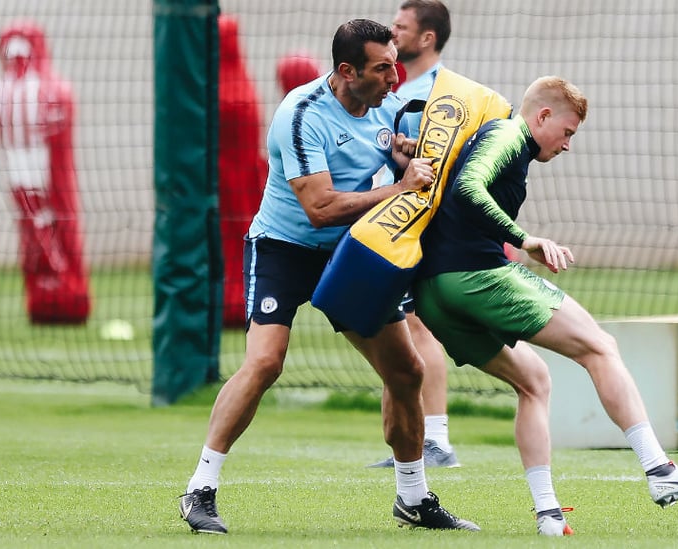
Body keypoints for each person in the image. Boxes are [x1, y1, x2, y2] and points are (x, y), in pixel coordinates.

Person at [177, 19, 478, 534]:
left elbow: (390, 153)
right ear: (346, 71)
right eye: (382, 67)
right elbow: (319, 207)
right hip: (284, 249)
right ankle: (199, 489)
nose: (394, 75)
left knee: (406, 372)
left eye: (394, 63)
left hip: (347, 253)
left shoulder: (387, 102)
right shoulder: (301, 114)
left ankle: (413, 496)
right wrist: (400, 187)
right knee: (265, 362)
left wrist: (403, 156)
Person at [412, 76, 678, 536]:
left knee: (534, 381)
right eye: (567, 132)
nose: (567, 145)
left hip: (434, 295)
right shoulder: (507, 134)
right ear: (542, 116)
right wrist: (525, 239)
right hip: (474, 277)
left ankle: (549, 515)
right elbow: (468, 189)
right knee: (600, 346)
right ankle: (659, 471)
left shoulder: (509, 144)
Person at [366, 0, 461, 470]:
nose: (392, 32)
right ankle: (413, 439)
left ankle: (436, 438)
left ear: (426, 38)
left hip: (421, 220)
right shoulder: (391, 84)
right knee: (397, 326)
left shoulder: (440, 93)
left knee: (419, 326)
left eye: (400, 27)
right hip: (388, 218)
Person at [0, 20, 91, 324]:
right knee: (38, 227)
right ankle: (55, 288)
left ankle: (60, 289)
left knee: (43, 225)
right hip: (27, 170)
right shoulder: (23, 91)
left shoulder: (34, 90)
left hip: (35, 170)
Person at [217, 15, 267, 328]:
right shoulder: (243, 84)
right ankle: (242, 300)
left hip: (225, 181)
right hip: (244, 180)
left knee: (231, 240)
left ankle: (232, 302)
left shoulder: (220, 87)